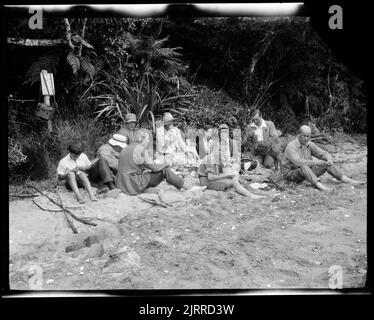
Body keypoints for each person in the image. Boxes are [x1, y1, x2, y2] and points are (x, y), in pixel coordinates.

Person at [116, 129, 205, 196]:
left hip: (121, 183)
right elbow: (154, 168)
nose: (148, 142)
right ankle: (188, 187)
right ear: (141, 138)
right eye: (147, 139)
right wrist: (166, 163)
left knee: (154, 171)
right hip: (132, 184)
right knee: (164, 170)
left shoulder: (126, 148)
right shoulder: (140, 149)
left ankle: (185, 185)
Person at [282, 125, 365, 192]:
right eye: (304, 136)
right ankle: (321, 187)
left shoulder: (309, 144)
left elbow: (322, 153)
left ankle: (347, 180)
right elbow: (299, 162)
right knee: (304, 166)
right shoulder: (291, 146)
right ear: (299, 135)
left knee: (326, 163)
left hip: (307, 172)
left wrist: (329, 159)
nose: (306, 138)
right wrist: (318, 162)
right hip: (291, 174)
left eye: (308, 136)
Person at [197, 141, 264, 199]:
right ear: (213, 149)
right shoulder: (210, 159)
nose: (221, 153)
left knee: (234, 178)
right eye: (219, 150)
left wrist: (228, 169)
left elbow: (221, 170)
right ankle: (251, 195)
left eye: (222, 151)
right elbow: (210, 177)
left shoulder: (215, 158)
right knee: (233, 182)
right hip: (206, 182)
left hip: (210, 179)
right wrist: (226, 176)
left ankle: (238, 188)